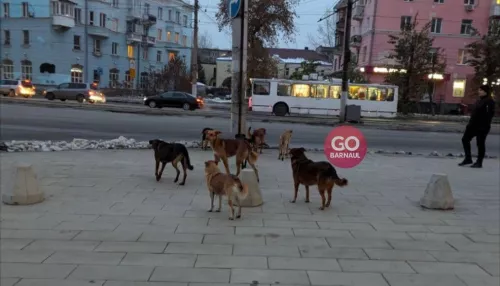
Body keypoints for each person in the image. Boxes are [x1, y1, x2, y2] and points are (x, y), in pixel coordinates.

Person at [459, 85, 496, 168]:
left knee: (480, 144)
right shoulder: (479, 100)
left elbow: (488, 115)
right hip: (473, 126)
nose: (479, 91)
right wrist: (470, 124)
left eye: (481, 90)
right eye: (479, 90)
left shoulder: (489, 101)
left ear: (485, 91)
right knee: (465, 139)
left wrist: (484, 126)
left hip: (482, 127)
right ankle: (468, 158)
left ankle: (479, 162)